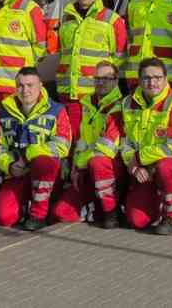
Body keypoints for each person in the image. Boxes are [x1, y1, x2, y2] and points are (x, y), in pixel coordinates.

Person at [113, 58, 172, 235]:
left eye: (157, 77)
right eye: (146, 78)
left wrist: (139, 158)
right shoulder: (127, 103)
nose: (152, 82)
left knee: (166, 167)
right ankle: (162, 199)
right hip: (145, 166)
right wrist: (133, 163)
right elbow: (124, 141)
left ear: (165, 78)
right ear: (138, 80)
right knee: (137, 220)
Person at [0, 68, 72, 231]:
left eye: (30, 85)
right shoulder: (4, 112)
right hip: (16, 174)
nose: (25, 90)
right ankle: (23, 207)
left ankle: (38, 215)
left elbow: (62, 145)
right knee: (2, 217)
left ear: (41, 86)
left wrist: (29, 155)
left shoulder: (57, 110)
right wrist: (10, 165)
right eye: (20, 85)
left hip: (46, 176)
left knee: (44, 162)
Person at [52, 61, 123, 228]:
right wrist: (76, 166)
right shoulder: (86, 105)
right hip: (87, 169)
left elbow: (107, 148)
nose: (101, 82)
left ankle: (110, 212)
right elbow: (81, 143)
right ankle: (94, 206)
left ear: (116, 80)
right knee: (61, 213)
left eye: (107, 78)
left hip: (111, 169)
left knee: (99, 162)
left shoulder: (120, 106)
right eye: (98, 78)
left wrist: (80, 166)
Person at [55, 0, 127, 136]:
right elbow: (63, 54)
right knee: (68, 138)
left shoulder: (112, 20)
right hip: (68, 92)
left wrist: (103, 84)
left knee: (91, 137)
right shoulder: (67, 19)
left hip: (94, 93)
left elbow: (119, 57)